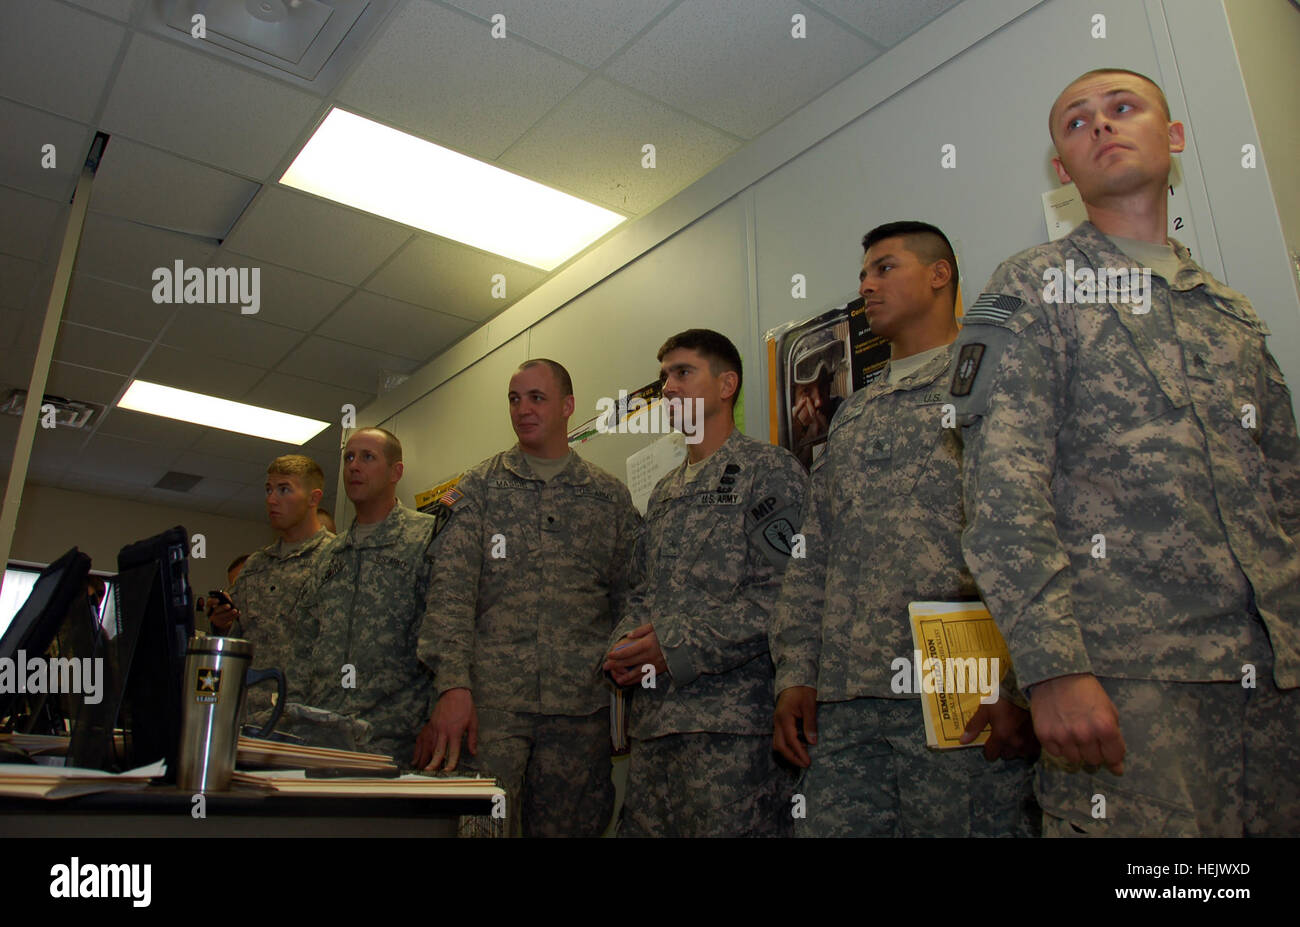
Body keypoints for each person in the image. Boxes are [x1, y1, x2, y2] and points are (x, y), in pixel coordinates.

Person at [948, 68, 1300, 835]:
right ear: (1062, 169)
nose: (1101, 126)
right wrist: (1053, 666)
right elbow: (1003, 492)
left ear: (1172, 139)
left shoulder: (1232, 313)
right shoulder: (1034, 286)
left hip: (1272, 679)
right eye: (1076, 123)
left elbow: (1286, 491)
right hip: (1129, 682)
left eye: (1122, 108)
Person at [769, 221, 1038, 837]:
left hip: (961, 692)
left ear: (939, 274)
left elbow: (1032, 539)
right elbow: (813, 554)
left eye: (885, 268)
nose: (866, 284)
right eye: (864, 273)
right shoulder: (854, 412)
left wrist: (1024, 689)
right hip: (845, 699)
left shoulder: (992, 381)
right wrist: (796, 675)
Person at [415, 359, 640, 836]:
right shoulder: (478, 488)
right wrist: (452, 685)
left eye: (536, 398)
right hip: (492, 709)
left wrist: (624, 677)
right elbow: (450, 593)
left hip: (581, 711)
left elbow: (630, 597)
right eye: (514, 399)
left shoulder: (608, 497)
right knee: (479, 831)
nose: (523, 409)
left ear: (567, 406)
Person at [603, 329, 808, 836]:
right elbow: (641, 593)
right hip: (656, 730)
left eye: (683, 373)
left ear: (726, 385)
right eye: (664, 377)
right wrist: (624, 646)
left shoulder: (767, 470)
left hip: (733, 732)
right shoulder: (664, 493)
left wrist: (675, 645)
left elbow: (786, 595)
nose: (668, 388)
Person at [294, 428, 439, 761]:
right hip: (323, 737)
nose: (354, 467)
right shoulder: (331, 555)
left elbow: (445, 636)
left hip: (395, 738)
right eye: (349, 458)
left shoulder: (427, 538)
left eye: (367, 457)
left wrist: (435, 717)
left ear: (396, 472)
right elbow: (304, 642)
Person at [209, 458, 332, 691]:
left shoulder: (336, 560)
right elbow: (234, 639)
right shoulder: (256, 565)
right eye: (268, 490)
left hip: (302, 715)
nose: (271, 499)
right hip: (249, 712)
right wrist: (221, 623)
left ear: (313, 498)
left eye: (284, 489)